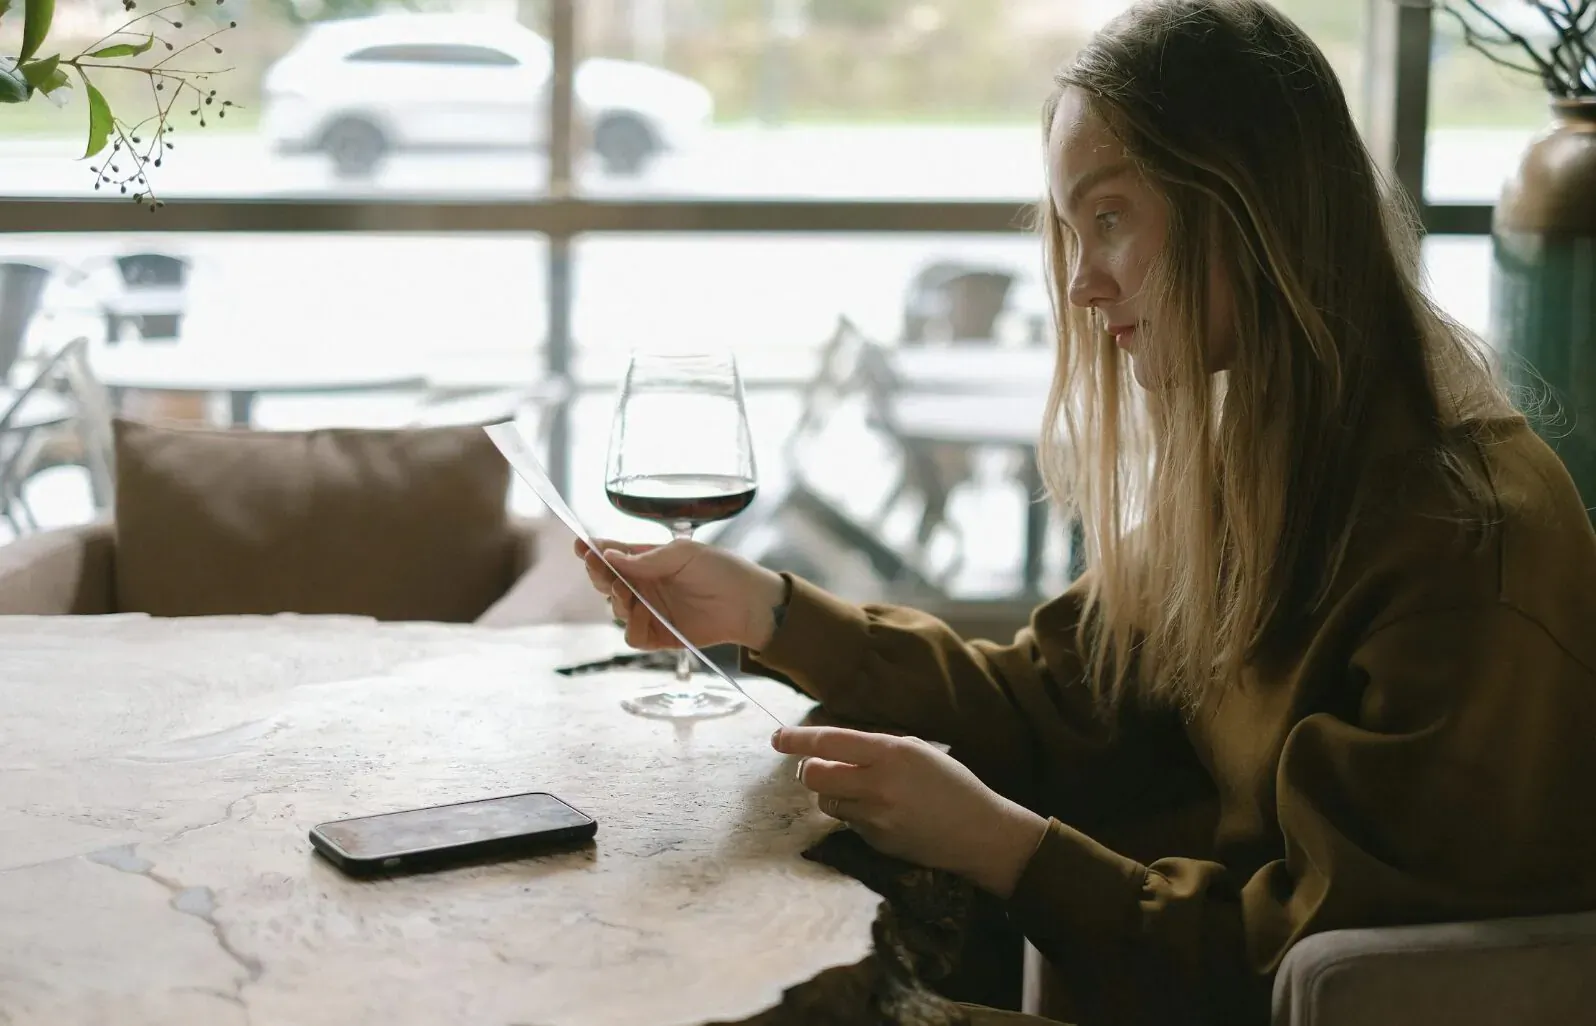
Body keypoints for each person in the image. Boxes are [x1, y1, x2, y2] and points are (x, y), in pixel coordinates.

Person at [579, 1, 1596, 1022]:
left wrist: (998, 844)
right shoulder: (1266, 469)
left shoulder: (1466, 549)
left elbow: (1310, 969)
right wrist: (767, 613)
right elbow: (1050, 698)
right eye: (1070, 230)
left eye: (1108, 217)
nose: (1078, 283)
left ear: (1250, 205)